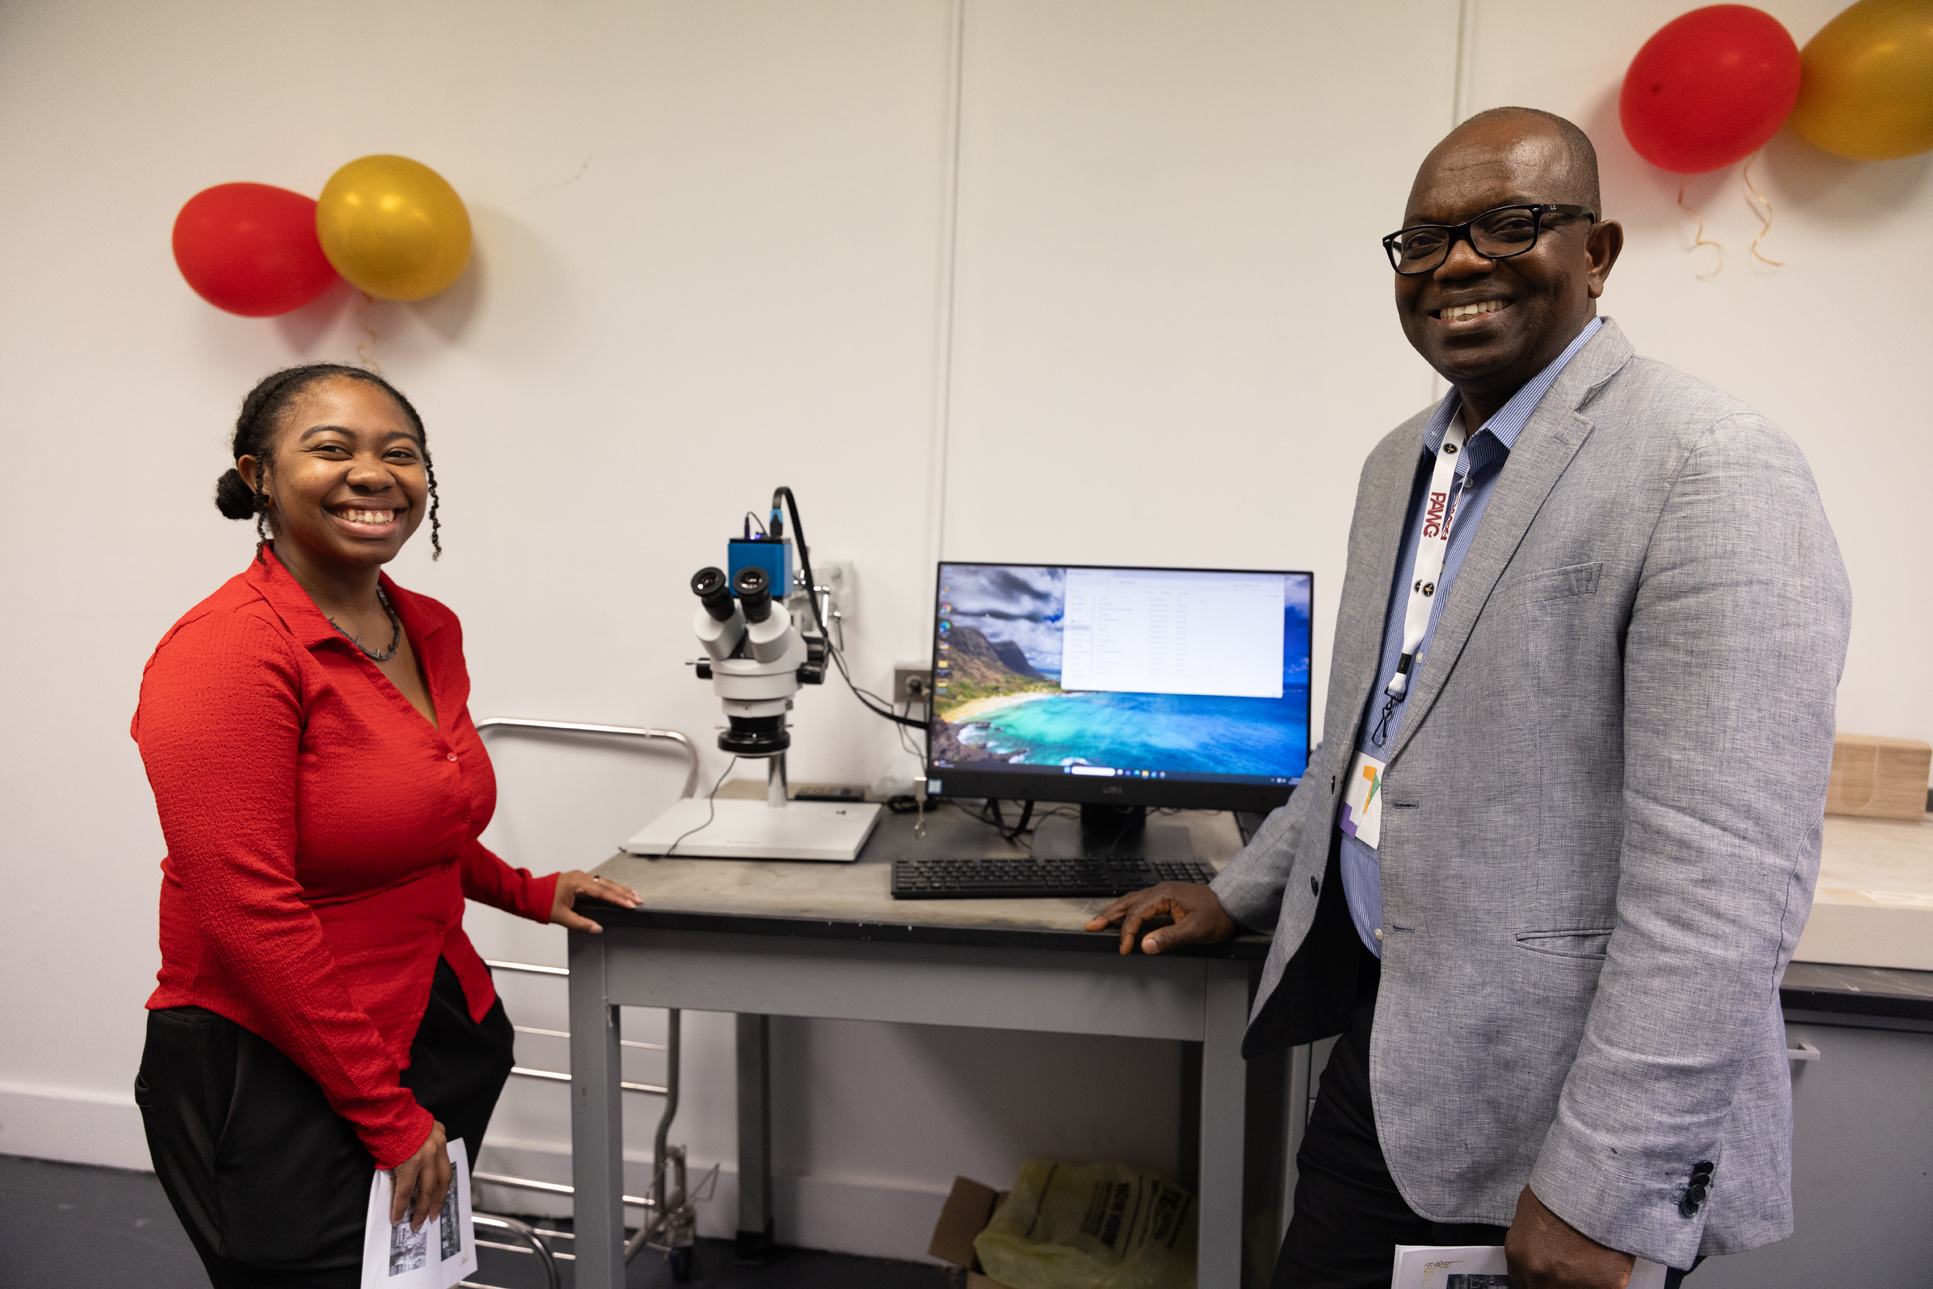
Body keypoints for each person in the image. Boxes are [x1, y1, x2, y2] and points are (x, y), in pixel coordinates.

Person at [1089, 108, 1849, 1289]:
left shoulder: (1709, 464)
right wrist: (1235, 891)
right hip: (1392, 1047)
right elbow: (1364, 742)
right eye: (1424, 239)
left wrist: (1604, 1181)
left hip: (1554, 1105)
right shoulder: (1405, 459)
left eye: (1508, 225)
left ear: (1594, 253)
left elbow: (1725, 883)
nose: (1456, 262)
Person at [132, 363, 643, 1288]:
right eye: (330, 448)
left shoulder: (424, 625)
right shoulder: (226, 650)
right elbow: (247, 907)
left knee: (410, 1280)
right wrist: (387, 1115)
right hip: (280, 1057)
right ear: (258, 475)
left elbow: (424, 822)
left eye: (399, 453)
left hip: (436, 1019)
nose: (374, 473)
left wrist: (528, 892)